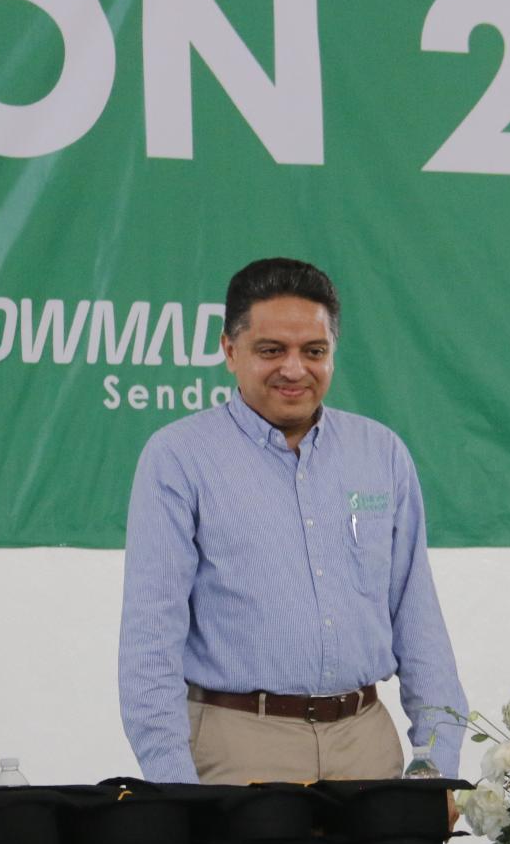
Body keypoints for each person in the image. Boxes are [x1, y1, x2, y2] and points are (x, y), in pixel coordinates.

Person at [119, 257, 466, 786]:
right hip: (238, 748)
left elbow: (420, 623)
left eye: (314, 351)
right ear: (229, 350)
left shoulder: (381, 453)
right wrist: (174, 790)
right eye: (271, 350)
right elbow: (150, 643)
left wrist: (438, 765)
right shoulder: (179, 457)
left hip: (368, 745)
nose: (294, 369)